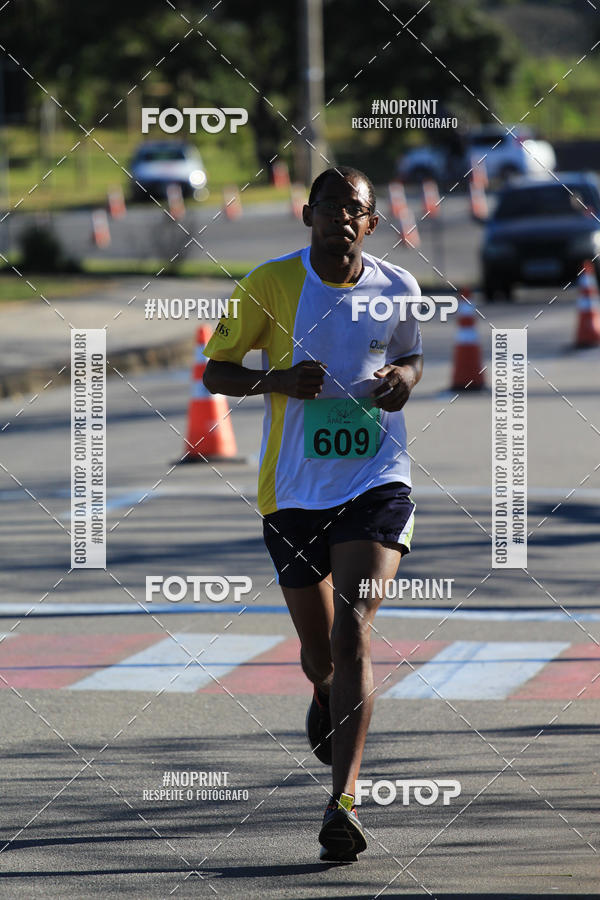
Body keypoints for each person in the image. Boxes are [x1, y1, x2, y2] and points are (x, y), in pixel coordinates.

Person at [203, 166, 423, 862]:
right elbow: (216, 370)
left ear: (371, 223)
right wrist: (273, 380)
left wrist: (400, 382)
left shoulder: (401, 288)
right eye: (328, 208)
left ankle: (344, 803)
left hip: (377, 478)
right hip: (293, 490)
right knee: (322, 652)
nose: (340, 219)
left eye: (353, 210)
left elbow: (413, 360)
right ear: (307, 215)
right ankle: (326, 691)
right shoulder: (268, 283)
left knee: (354, 633)